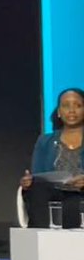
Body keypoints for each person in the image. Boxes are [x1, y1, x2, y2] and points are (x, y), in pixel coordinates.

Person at [19, 87, 84, 228]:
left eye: (78, 106)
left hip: (80, 193)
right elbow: (38, 175)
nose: (71, 110)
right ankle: (40, 238)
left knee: (72, 203)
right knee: (37, 189)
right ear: (59, 112)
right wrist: (28, 182)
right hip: (52, 191)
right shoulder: (45, 141)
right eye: (66, 106)